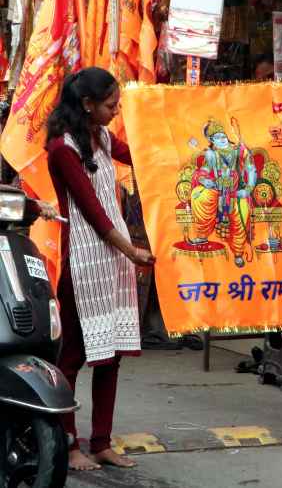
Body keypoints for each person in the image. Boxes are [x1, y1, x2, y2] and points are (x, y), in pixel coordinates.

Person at [45, 67, 155, 472]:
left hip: (113, 258)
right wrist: (132, 251)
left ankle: (102, 442)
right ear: (88, 105)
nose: (116, 110)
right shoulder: (63, 148)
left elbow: (143, 157)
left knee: (110, 356)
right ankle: (70, 443)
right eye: (111, 105)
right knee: (73, 355)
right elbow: (91, 211)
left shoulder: (104, 138)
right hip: (86, 260)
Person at [188, 118, 257, 268]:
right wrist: (204, 180)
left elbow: (251, 170)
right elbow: (204, 171)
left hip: (236, 191)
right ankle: (202, 235)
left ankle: (238, 253)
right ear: (212, 140)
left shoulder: (239, 150)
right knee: (198, 196)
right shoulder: (211, 155)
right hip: (217, 190)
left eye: (224, 136)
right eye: (218, 137)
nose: (223, 139)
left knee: (242, 214)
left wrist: (248, 190)